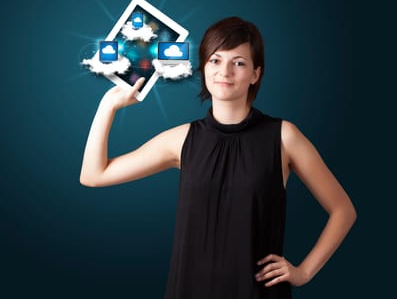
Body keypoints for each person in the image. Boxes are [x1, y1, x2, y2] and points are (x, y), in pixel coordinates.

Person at [80, 17, 356, 298]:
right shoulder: (181, 139)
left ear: (255, 74)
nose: (225, 71)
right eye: (215, 60)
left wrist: (304, 272)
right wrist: (108, 107)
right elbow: (93, 175)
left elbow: (343, 211)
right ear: (203, 69)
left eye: (238, 62)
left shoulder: (284, 137)